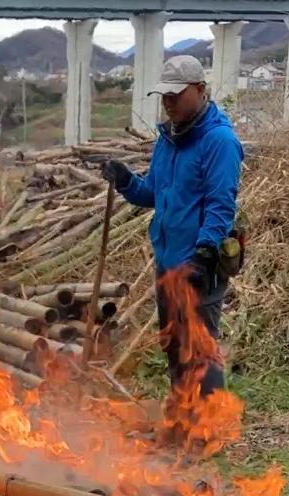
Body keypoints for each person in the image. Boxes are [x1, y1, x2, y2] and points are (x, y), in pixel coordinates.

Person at [102, 55, 244, 399]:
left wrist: (204, 253)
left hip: (198, 264)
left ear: (199, 89)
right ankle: (183, 418)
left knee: (200, 348)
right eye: (164, 96)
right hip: (167, 261)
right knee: (174, 344)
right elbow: (153, 193)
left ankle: (209, 428)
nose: (168, 102)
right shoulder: (169, 139)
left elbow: (220, 204)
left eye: (176, 95)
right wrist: (125, 181)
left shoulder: (219, 141)